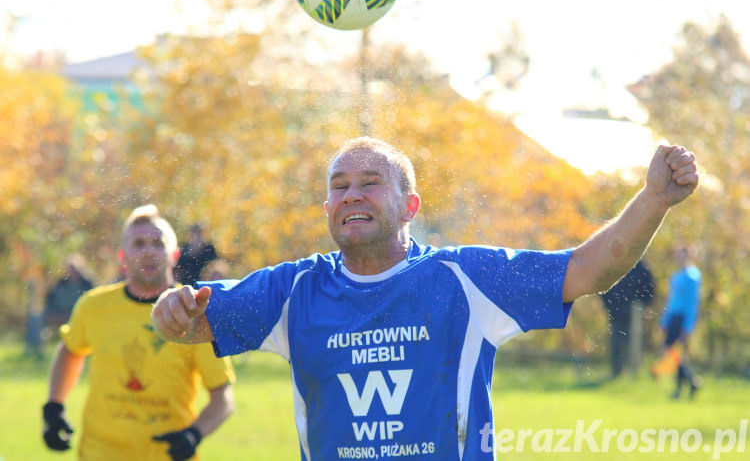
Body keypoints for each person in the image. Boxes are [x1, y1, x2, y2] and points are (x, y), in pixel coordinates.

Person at [152, 138, 698, 460]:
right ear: (327, 210)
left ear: (409, 205)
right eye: (339, 186)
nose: (352, 194)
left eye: (371, 182)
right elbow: (193, 318)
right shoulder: (294, 289)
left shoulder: (465, 278)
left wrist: (654, 198)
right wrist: (168, 309)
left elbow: (588, 268)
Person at [43, 204, 235, 461]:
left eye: (158, 243)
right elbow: (70, 351)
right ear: (123, 257)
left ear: (175, 255)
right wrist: (54, 407)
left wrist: (193, 434)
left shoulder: (193, 314)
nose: (148, 252)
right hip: (99, 453)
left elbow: (223, 397)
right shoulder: (94, 306)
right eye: (139, 244)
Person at [651, 245, 702, 399]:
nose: (679, 258)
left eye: (682, 255)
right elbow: (670, 301)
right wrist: (664, 320)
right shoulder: (675, 276)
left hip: (682, 319)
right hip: (673, 318)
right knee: (675, 354)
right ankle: (690, 384)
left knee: (672, 353)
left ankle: (685, 385)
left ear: (689, 256)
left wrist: (688, 326)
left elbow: (692, 303)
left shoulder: (692, 276)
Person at [600, 260, 655, 378]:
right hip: (615, 312)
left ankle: (633, 373)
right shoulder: (614, 263)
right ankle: (616, 372)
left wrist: (641, 304)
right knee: (616, 342)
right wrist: (608, 305)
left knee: (633, 343)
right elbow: (602, 285)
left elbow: (649, 289)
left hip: (634, 313)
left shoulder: (641, 266)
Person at [43, 254, 94, 329]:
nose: (72, 271)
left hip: (80, 314)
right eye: (70, 269)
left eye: (74, 269)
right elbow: (50, 299)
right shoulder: (60, 283)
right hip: (61, 314)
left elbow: (91, 301)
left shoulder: (86, 284)